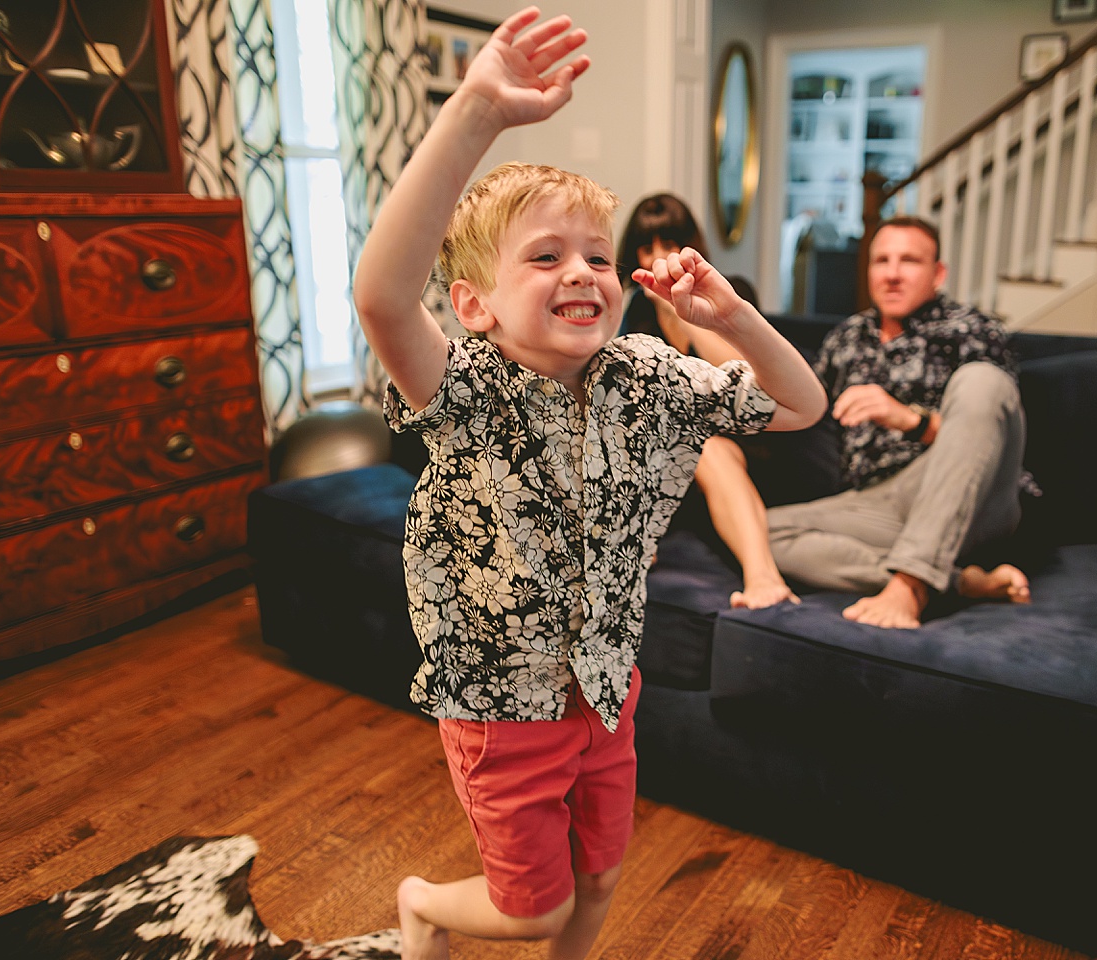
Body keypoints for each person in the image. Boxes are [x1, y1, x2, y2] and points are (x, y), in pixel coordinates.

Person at [349, 9, 827, 960]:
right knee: (530, 908)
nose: (584, 273)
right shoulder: (467, 384)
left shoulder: (648, 374)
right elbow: (378, 292)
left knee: (600, 878)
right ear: (475, 304)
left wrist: (733, 315)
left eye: (598, 257)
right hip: (498, 700)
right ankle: (419, 903)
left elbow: (802, 405)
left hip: (606, 690)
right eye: (545, 256)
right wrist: (479, 108)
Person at [766, 214, 1032, 630]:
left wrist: (910, 421)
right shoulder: (846, 338)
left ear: (937, 272)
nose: (892, 274)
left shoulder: (972, 330)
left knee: (984, 380)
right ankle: (960, 583)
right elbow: (800, 408)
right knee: (758, 533)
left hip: (967, 492)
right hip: (879, 502)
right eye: (880, 261)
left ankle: (913, 583)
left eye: (908, 261)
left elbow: (988, 433)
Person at [618, 193, 798, 608]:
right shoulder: (636, 315)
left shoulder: (730, 292)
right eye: (648, 247)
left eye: (670, 244)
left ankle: (763, 577)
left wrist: (682, 312)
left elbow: (749, 374)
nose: (660, 257)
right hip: (675, 451)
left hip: (747, 436)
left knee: (708, 447)